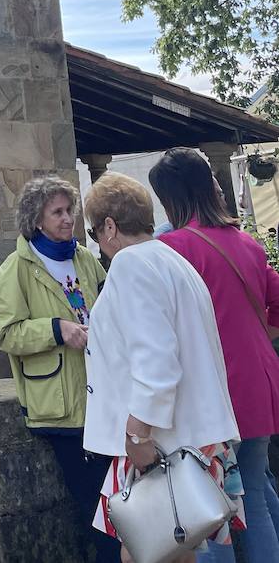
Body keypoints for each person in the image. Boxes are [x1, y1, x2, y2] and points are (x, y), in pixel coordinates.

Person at [83, 173, 241, 563]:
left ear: (109, 226)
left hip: (163, 440)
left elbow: (157, 361)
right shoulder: (173, 261)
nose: (98, 243)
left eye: (93, 231)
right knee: (174, 551)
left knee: (143, 552)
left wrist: (137, 436)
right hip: (191, 437)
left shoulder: (131, 264)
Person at [150, 147, 279, 563]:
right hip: (259, 383)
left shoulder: (170, 249)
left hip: (212, 395)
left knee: (206, 514)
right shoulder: (247, 243)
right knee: (254, 497)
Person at [0, 175, 113, 563]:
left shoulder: (85, 259)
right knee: (94, 505)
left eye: (69, 211)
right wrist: (55, 330)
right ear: (37, 219)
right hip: (60, 406)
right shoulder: (16, 267)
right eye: (57, 212)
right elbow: (7, 333)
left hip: (103, 397)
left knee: (115, 501)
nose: (68, 219)